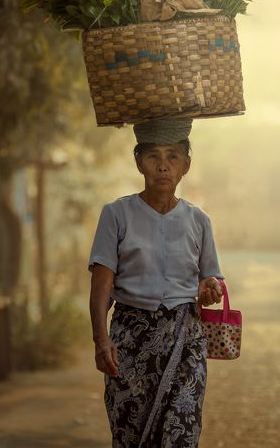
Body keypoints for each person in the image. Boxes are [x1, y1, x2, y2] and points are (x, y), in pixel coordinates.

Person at [88, 117, 224, 447]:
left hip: (184, 340)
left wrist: (210, 289)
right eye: (153, 157)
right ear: (139, 162)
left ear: (185, 166)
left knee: (181, 430)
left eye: (172, 157)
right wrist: (101, 339)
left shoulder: (198, 220)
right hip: (129, 343)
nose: (163, 166)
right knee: (130, 434)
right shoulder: (116, 215)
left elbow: (211, 279)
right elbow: (102, 285)